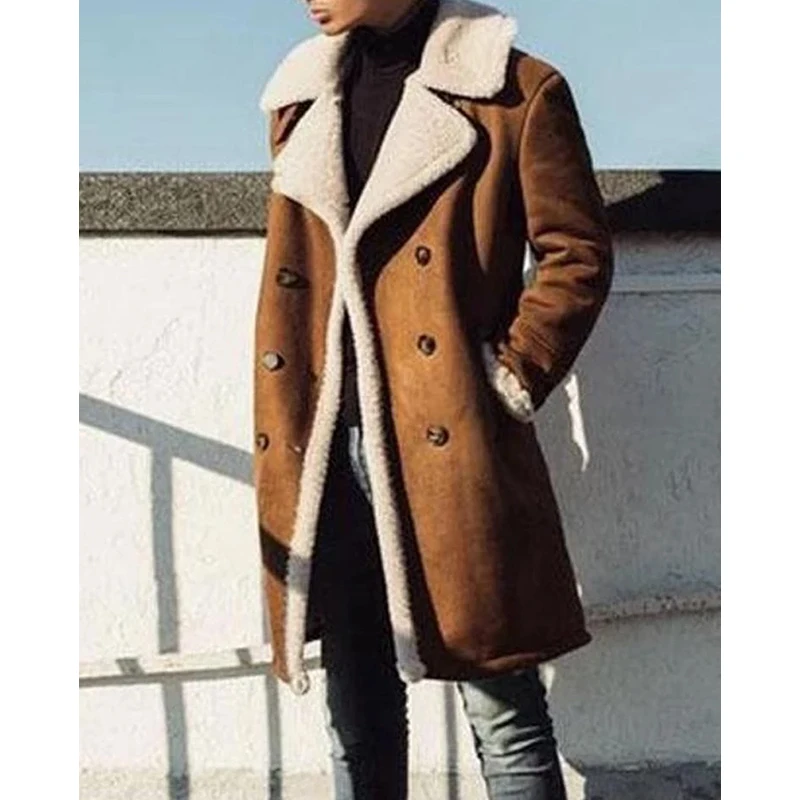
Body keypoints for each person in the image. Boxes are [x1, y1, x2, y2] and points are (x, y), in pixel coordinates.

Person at [253, 0, 615, 797]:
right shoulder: (302, 98)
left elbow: (577, 254)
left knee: (501, 706)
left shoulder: (514, 90)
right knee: (358, 713)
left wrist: (511, 376)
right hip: (328, 444)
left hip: (446, 439)